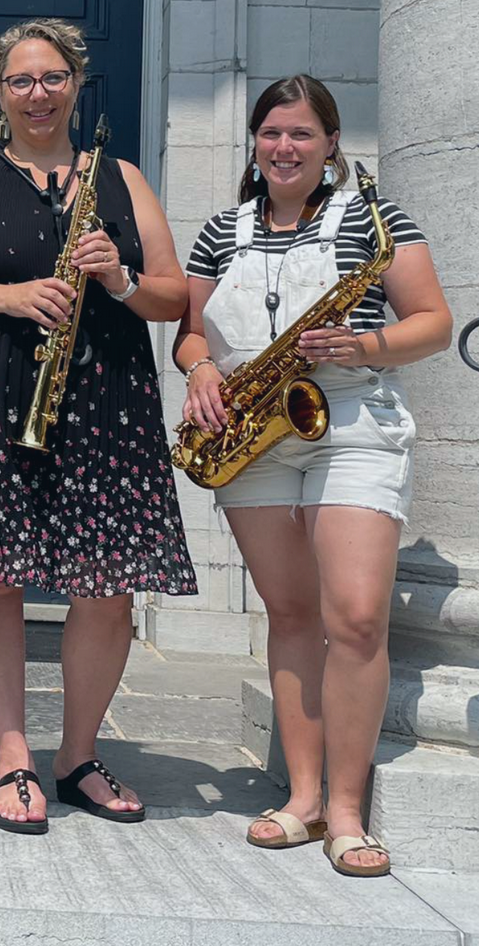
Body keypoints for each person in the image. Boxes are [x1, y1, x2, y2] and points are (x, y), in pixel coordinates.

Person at [0, 18, 196, 834]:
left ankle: (78, 755)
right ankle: (13, 754)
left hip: (103, 403)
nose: (38, 93)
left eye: (53, 77)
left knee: (105, 586)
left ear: (77, 83)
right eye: (22, 80)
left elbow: (175, 300)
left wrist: (123, 277)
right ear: (0, 92)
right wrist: (5, 296)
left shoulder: (124, 179)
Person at [173, 74, 451, 878]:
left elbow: (432, 322)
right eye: (270, 134)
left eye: (301, 134)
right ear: (253, 145)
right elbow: (191, 332)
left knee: (358, 619)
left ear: (332, 144)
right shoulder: (221, 232)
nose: (284, 148)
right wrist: (198, 372)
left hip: (354, 423)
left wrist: (361, 346)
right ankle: (300, 800)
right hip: (255, 430)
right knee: (291, 614)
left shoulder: (376, 221)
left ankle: (348, 812)